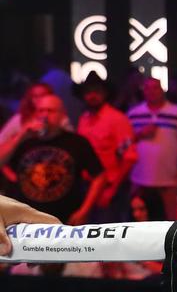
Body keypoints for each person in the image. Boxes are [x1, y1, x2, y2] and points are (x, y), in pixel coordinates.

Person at [4, 94, 106, 227]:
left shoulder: (77, 142)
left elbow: (99, 176)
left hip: (64, 221)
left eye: (50, 111)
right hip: (25, 222)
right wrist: (20, 136)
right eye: (41, 110)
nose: (45, 115)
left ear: (62, 115)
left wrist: (84, 211)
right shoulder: (24, 140)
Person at [126, 77, 177, 220]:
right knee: (137, 219)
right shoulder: (134, 113)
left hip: (168, 177)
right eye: (147, 88)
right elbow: (124, 143)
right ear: (143, 91)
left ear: (162, 90)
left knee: (170, 220)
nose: (152, 91)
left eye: (155, 88)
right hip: (139, 177)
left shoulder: (176, 112)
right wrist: (140, 134)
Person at [75, 74, 137, 223]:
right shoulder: (83, 118)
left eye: (97, 91)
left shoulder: (117, 119)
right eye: (88, 92)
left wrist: (112, 190)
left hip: (108, 187)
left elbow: (129, 157)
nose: (92, 96)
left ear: (105, 94)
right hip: (86, 186)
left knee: (108, 236)